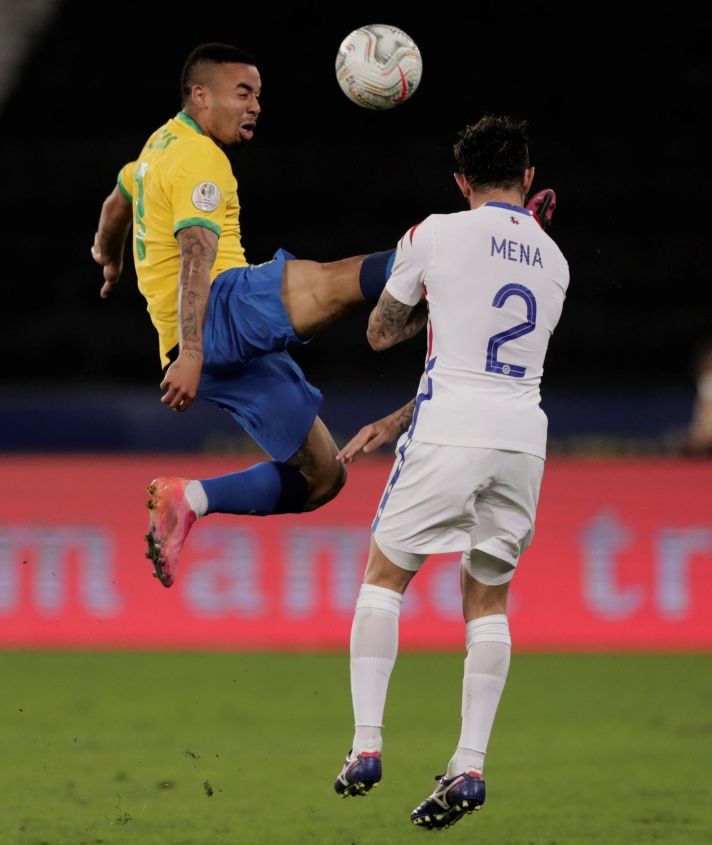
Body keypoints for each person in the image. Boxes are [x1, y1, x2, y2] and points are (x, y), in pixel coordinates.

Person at [332, 115, 569, 830]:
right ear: (528, 177)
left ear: (461, 180)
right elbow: (489, 361)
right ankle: (469, 763)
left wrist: (433, 291)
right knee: (488, 601)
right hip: (522, 440)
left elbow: (381, 332)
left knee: (384, 578)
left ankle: (365, 746)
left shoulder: (434, 232)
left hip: (448, 432)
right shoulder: (555, 260)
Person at [91, 43, 398, 588]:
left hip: (200, 348)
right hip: (218, 312)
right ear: (201, 96)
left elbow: (117, 201)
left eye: (258, 94)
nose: (255, 105)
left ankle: (189, 499)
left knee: (323, 475)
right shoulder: (198, 158)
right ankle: (446, 252)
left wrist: (108, 257)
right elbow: (195, 256)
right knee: (333, 283)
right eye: (243, 93)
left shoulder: (157, 148)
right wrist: (193, 353)